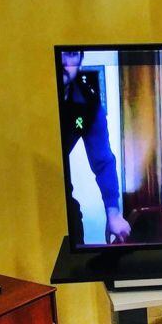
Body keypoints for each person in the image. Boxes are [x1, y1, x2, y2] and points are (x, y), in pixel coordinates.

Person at [58, 49, 131, 244]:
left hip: (60, 196)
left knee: (72, 217)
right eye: (61, 53)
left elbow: (103, 161)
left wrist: (113, 214)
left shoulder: (88, 102)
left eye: (72, 54)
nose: (64, 61)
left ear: (81, 59)